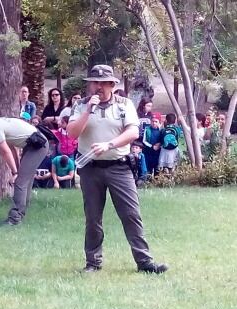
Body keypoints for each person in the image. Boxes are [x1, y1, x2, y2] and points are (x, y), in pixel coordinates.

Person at [67, 64, 167, 274]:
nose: (99, 87)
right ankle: (93, 263)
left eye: (104, 83)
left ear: (112, 85)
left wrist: (109, 144)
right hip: (90, 169)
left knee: (131, 214)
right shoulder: (81, 106)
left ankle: (144, 262)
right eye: (95, 83)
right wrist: (87, 111)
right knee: (93, 217)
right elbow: (71, 134)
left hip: (119, 167)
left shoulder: (124, 104)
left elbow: (132, 132)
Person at [0, 114, 49, 225]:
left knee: (20, 182)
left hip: (38, 146)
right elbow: (12, 149)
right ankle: (22, 210)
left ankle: (15, 218)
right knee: (25, 180)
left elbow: (5, 152)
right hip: (33, 144)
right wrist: (16, 169)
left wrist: (16, 172)